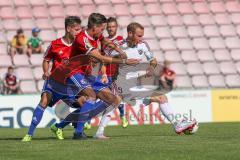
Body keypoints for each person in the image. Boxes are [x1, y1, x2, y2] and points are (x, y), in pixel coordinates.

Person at [95, 22, 196, 138]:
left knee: (161, 97)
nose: (141, 38)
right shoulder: (118, 46)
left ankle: (99, 132)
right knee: (115, 103)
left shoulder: (143, 45)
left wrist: (151, 68)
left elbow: (153, 60)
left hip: (135, 83)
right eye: (138, 35)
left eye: (142, 35)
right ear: (130, 33)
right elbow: (103, 60)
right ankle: (98, 132)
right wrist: (103, 74)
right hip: (121, 83)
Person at [50, 13, 139, 140]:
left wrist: (120, 51)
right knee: (91, 96)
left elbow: (105, 40)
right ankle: (78, 133)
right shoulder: (82, 39)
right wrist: (124, 61)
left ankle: (61, 125)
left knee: (113, 99)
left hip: (88, 74)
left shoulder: (96, 34)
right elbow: (101, 57)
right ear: (94, 27)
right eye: (102, 29)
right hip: (73, 72)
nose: (103, 31)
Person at [22, 16, 82, 142]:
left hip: (69, 85)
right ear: (68, 29)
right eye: (77, 30)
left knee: (84, 104)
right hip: (53, 83)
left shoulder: (80, 46)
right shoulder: (55, 44)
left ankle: (60, 127)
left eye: (80, 29)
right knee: (44, 101)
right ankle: (29, 134)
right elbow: (46, 60)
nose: (79, 32)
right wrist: (46, 71)